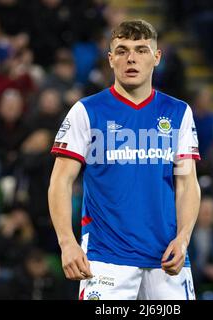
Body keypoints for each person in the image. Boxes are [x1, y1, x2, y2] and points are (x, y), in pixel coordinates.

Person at [48, 20, 201, 300]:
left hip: (167, 259)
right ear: (110, 59)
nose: (131, 58)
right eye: (122, 50)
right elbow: (60, 180)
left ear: (156, 58)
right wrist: (67, 242)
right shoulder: (86, 111)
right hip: (106, 258)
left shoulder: (179, 112)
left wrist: (184, 238)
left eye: (141, 50)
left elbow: (187, 183)